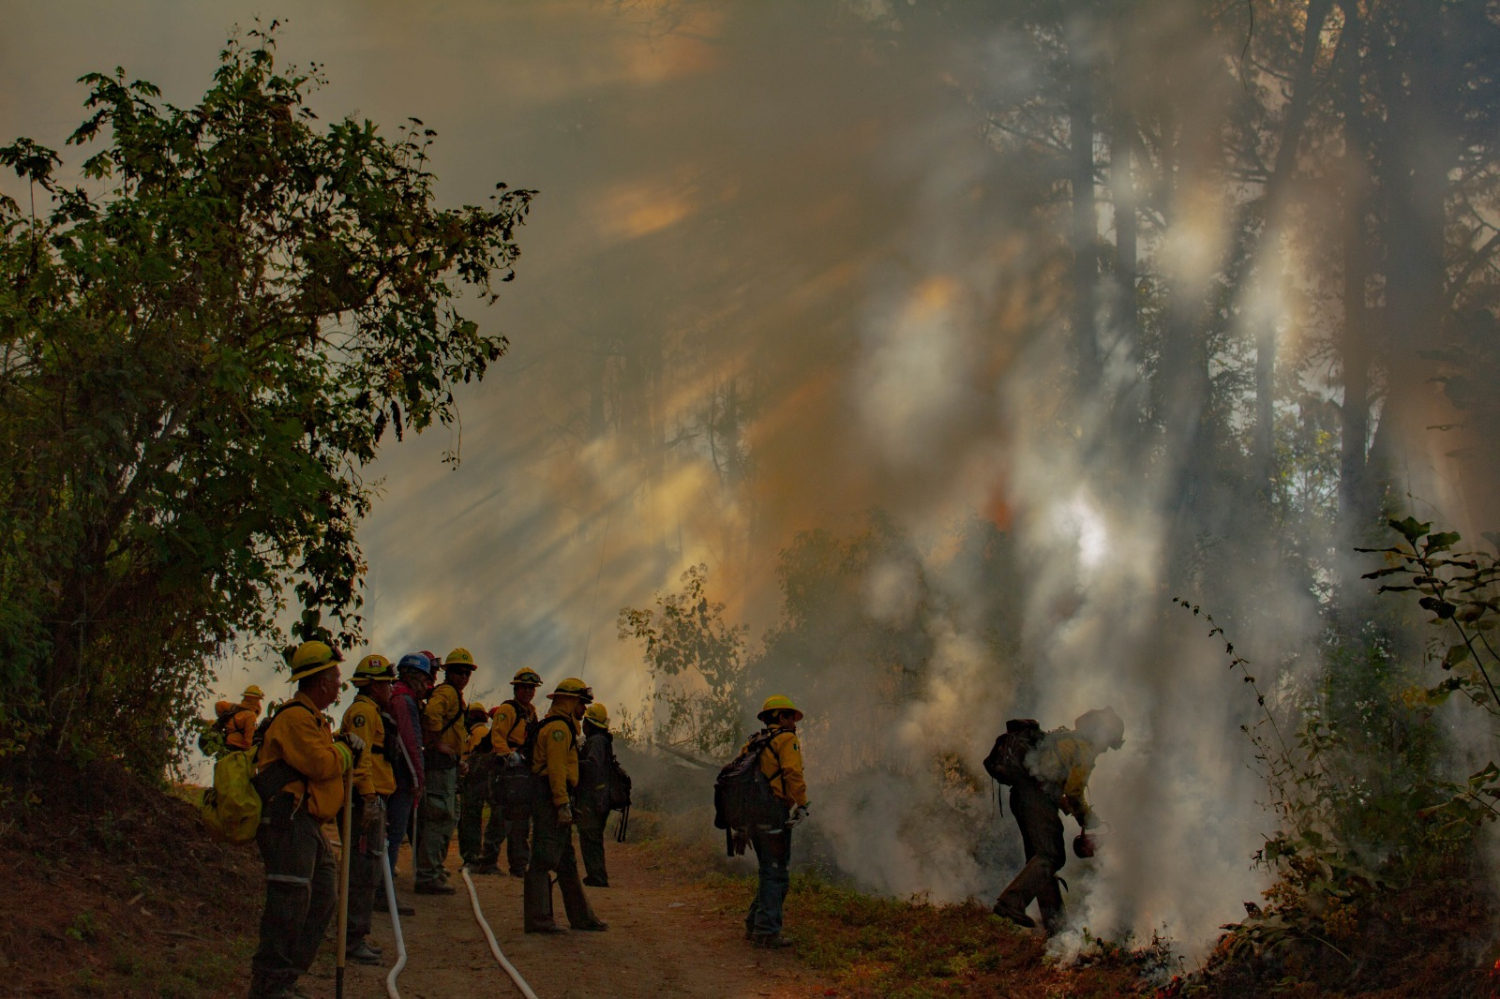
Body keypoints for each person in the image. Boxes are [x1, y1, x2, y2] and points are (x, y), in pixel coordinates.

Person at [248, 641, 363, 999]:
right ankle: (270, 985)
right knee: (289, 904)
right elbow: (320, 763)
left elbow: (323, 758)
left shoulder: (312, 719)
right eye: (335, 676)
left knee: (323, 897)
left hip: (308, 824)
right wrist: (344, 751)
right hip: (289, 823)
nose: (339, 683)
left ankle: (287, 979)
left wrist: (338, 746)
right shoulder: (295, 718)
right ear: (320, 681)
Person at [991, 706, 1125, 934]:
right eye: (1108, 743)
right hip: (1035, 800)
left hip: (1023, 797)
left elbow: (1049, 780)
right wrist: (1087, 817)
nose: (1104, 750)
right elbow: (1072, 791)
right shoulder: (1084, 749)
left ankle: (1056, 925)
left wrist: (1072, 810)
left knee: (1040, 857)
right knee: (1051, 855)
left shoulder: (1065, 740)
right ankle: (1012, 902)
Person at [523, 677, 608, 934]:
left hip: (553, 798)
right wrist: (562, 805)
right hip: (550, 799)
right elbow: (557, 771)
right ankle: (539, 920)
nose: (584, 710)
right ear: (570, 702)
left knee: (566, 861)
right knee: (542, 857)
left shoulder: (560, 726)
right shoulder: (559, 730)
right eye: (582, 703)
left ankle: (582, 917)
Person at [338, 654, 398, 967]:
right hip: (365, 800)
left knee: (369, 867)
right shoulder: (363, 712)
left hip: (373, 797)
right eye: (387, 682)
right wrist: (370, 797)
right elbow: (360, 761)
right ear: (373, 685)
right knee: (361, 870)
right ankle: (350, 940)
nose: (391, 687)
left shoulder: (371, 710)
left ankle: (357, 936)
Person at [741, 695, 809, 949]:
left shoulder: (752, 743)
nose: (795, 722)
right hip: (773, 814)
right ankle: (767, 932)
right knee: (777, 874)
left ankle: (754, 924)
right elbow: (793, 772)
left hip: (752, 817)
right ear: (780, 717)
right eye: (791, 716)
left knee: (767, 871)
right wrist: (802, 805)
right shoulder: (786, 739)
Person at [414, 647, 476, 894]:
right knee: (439, 818)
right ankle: (428, 875)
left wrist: (456, 758)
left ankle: (434, 869)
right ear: (448, 673)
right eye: (458, 672)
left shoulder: (453, 695)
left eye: (467, 672)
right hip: (438, 766)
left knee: (448, 817)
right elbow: (431, 714)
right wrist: (436, 744)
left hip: (446, 765)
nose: (463, 676)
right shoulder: (448, 693)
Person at [381, 651, 431, 915]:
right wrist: (417, 780)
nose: (427, 684)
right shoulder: (404, 701)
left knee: (389, 836)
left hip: (394, 776)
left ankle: (383, 889)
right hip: (400, 779)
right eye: (425, 678)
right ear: (415, 677)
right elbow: (409, 742)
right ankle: (384, 893)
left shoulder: (395, 696)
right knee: (393, 836)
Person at [482, 668, 543, 876]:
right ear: (516, 688)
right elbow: (497, 737)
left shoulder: (531, 712)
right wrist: (508, 755)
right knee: (501, 816)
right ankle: (488, 862)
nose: (528, 691)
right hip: (505, 771)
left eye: (531, 688)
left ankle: (519, 865)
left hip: (523, 771)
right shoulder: (507, 710)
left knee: (522, 819)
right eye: (524, 687)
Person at [576, 701, 616, 887]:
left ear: (589, 723)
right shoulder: (600, 740)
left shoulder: (596, 741)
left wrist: (572, 763)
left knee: (590, 835)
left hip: (594, 798)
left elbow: (592, 767)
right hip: (598, 797)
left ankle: (597, 876)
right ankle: (596, 874)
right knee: (592, 836)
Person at [457, 701, 495, 870]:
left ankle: (472, 858)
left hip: (476, 783)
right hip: (476, 782)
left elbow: (479, 760)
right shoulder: (477, 732)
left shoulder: (478, 733)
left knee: (470, 820)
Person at [224, 685, 265, 751]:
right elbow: (248, 740)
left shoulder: (234, 708)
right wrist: (248, 754)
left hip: (226, 745)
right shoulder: (251, 716)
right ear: (255, 700)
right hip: (237, 748)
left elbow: (218, 705)